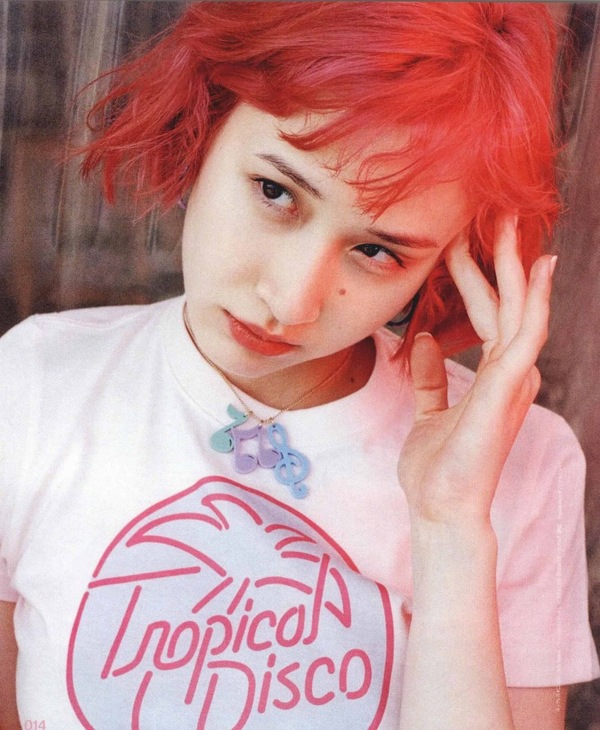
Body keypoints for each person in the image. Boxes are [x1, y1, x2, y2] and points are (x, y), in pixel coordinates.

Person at [0, 3, 598, 728]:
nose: (291, 300)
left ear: (451, 261)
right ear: (206, 123)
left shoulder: (520, 465)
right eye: (275, 192)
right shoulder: (35, 386)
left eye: (376, 251)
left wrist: (451, 528)